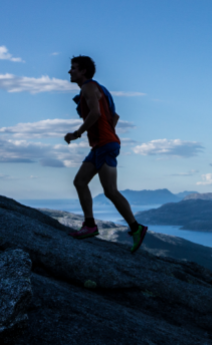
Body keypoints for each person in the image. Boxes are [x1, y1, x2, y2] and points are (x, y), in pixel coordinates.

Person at [64, 55, 148, 253]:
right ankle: (90, 225)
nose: (70, 71)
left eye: (73, 68)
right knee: (79, 182)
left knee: (110, 190)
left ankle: (136, 228)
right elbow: (114, 115)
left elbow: (96, 113)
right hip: (100, 145)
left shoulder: (88, 87)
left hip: (105, 144)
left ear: (83, 71)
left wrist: (77, 134)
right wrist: (105, 133)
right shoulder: (99, 88)